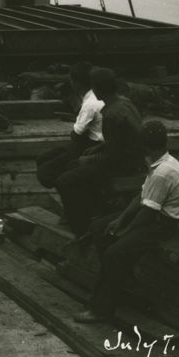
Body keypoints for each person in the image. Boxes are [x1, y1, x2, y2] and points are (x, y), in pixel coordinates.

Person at [74, 120, 179, 323]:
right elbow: (141, 196)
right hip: (152, 216)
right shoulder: (159, 163)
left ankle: (101, 309)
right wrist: (120, 220)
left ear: (144, 146)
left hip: (162, 225)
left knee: (113, 253)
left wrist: (124, 233)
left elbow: (147, 213)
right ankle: (119, 282)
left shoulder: (163, 172)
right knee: (99, 228)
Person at [53, 67, 143, 238]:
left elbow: (114, 158)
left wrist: (90, 159)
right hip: (133, 159)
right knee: (76, 165)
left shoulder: (111, 114)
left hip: (126, 166)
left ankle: (81, 229)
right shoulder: (125, 103)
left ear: (97, 89)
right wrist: (99, 148)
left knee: (64, 180)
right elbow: (122, 141)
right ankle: (92, 212)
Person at [35, 61, 104, 188]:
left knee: (45, 172)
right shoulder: (96, 96)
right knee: (47, 158)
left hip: (92, 146)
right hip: (95, 144)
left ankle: (72, 190)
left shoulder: (90, 103)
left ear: (75, 83)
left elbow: (76, 136)